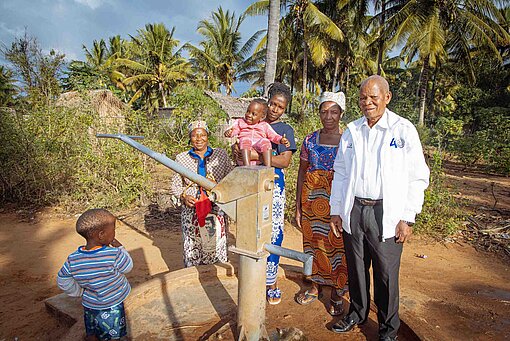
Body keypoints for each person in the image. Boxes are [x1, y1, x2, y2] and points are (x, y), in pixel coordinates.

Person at [329, 75, 430, 341]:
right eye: (363, 98)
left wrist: (407, 217)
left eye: (373, 97)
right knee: (357, 267)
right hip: (355, 209)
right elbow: (340, 172)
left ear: (387, 97)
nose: (367, 102)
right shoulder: (352, 130)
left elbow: (417, 176)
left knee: (386, 274)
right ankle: (357, 313)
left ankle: (388, 330)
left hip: (386, 212)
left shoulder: (402, 130)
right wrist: (336, 210)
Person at [294, 92, 348, 317]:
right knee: (313, 244)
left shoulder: (348, 141)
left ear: (341, 114)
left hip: (336, 205)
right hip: (310, 204)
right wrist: (297, 206)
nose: (328, 116)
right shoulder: (309, 140)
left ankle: (337, 292)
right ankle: (315, 286)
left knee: (338, 247)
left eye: (334, 111)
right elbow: (301, 172)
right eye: (324, 111)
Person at [57, 208, 133, 341]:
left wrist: (78, 291)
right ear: (101, 235)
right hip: (112, 305)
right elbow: (128, 267)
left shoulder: (73, 259)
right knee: (114, 334)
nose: (115, 233)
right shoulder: (114, 254)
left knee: (92, 331)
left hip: (90, 305)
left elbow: (62, 279)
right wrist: (121, 247)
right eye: (113, 229)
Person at [170, 120, 234, 267]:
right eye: (194, 135)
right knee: (193, 245)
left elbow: (230, 179)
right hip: (191, 209)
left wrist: (219, 191)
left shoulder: (221, 155)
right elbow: (175, 184)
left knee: (216, 242)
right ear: (189, 138)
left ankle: (215, 277)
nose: (199, 139)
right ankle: (193, 277)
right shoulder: (181, 158)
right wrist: (184, 197)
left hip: (216, 207)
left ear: (208, 136)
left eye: (202, 135)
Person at [225, 98, 290, 167]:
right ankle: (247, 168)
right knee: (245, 140)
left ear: (261, 117)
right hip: (243, 157)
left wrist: (280, 140)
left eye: (254, 114)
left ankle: (268, 168)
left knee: (266, 141)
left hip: (258, 158)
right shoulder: (240, 122)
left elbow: (273, 136)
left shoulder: (264, 125)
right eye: (248, 111)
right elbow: (234, 129)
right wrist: (230, 132)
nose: (249, 115)